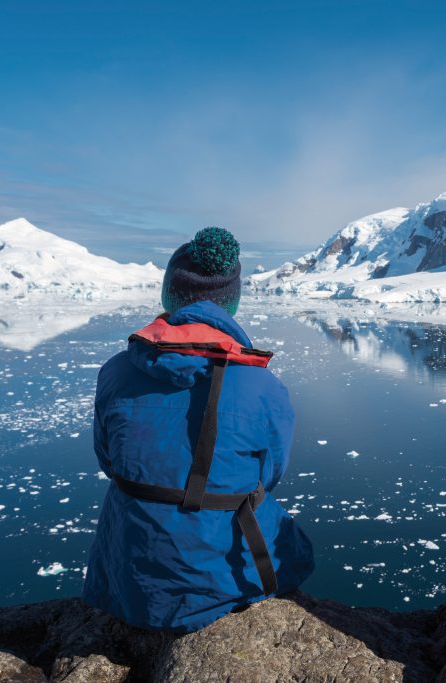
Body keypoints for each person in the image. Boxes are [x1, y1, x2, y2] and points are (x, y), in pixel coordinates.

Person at [82, 227, 314, 633]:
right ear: (232, 301)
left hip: (128, 579)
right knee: (291, 543)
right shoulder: (262, 387)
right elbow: (270, 475)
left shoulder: (118, 371)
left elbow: (109, 461)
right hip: (228, 578)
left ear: (169, 294)